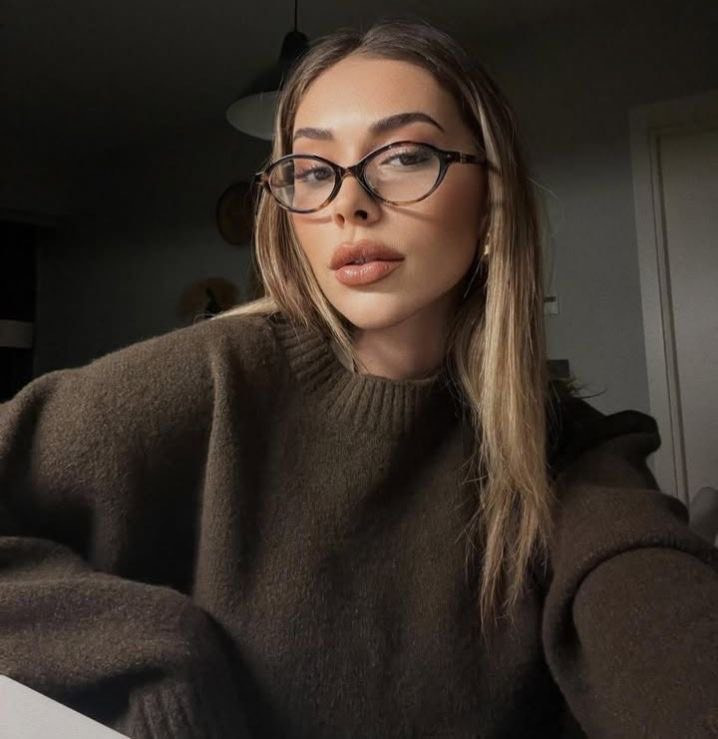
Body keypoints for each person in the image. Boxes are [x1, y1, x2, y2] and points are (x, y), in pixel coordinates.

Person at [1, 16, 716, 739]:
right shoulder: (215, 376)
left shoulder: (571, 453)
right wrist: (151, 655)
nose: (349, 201)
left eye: (403, 156)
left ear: (492, 204)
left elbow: (658, 624)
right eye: (313, 171)